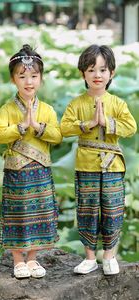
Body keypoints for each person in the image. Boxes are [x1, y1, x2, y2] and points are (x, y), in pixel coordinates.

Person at [60, 44, 137, 275]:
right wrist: (88, 124)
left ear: (111, 73)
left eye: (103, 70)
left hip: (112, 165)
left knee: (112, 209)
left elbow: (131, 127)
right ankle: (90, 257)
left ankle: (110, 256)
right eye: (91, 69)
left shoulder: (118, 103)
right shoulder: (76, 103)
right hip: (86, 165)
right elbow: (64, 128)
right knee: (87, 209)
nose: (97, 75)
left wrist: (107, 123)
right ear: (82, 72)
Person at [0, 44, 62, 279]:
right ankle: (17, 259)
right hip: (17, 170)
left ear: (41, 79)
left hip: (40, 169)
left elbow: (58, 136)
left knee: (39, 213)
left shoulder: (48, 110)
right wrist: (20, 127)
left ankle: (32, 258)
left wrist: (38, 127)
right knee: (17, 213)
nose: (28, 81)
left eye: (33, 76)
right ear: (14, 79)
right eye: (22, 76)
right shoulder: (6, 109)